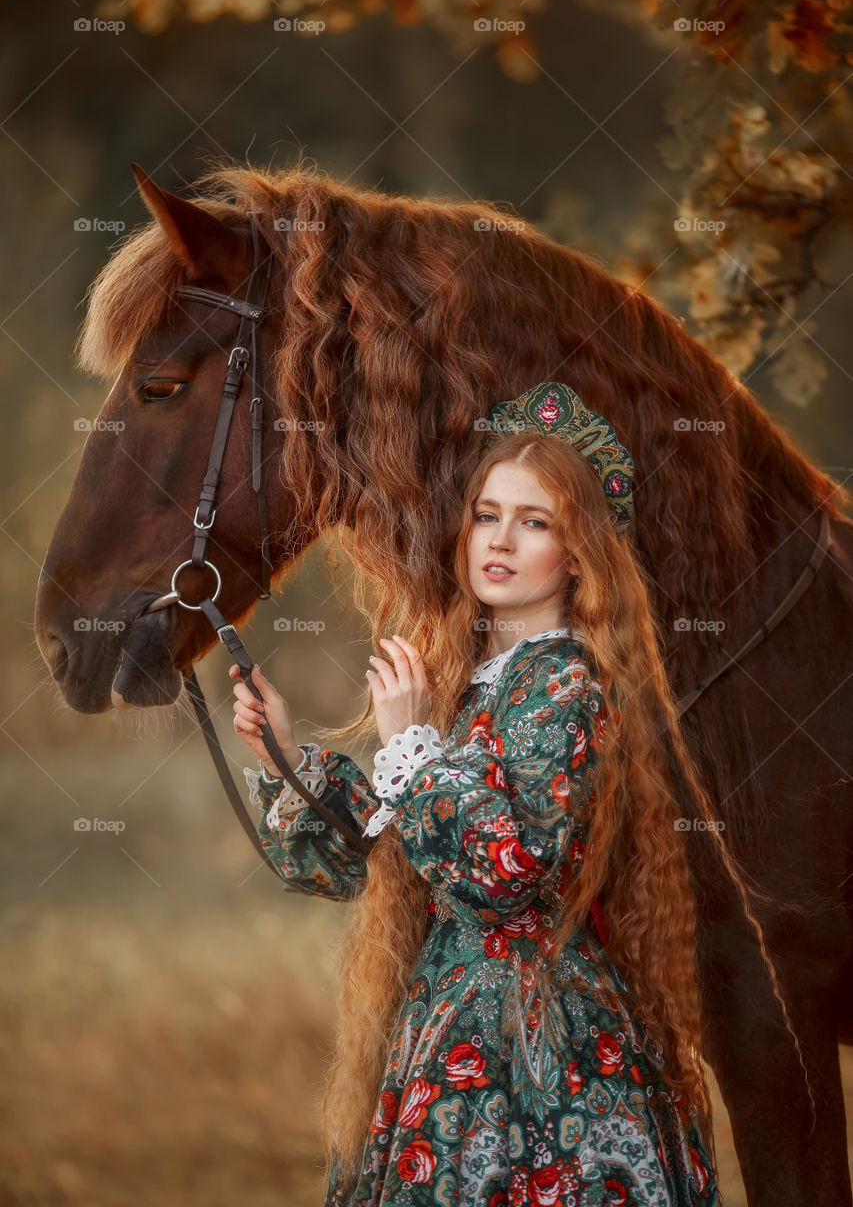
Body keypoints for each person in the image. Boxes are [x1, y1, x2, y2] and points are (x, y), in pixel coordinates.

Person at [231, 381, 726, 1206]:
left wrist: (414, 750)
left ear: (579, 554)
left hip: (535, 1052)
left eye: (534, 523)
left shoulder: (567, 687)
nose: (497, 540)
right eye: (486, 514)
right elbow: (368, 866)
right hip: (448, 1026)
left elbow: (504, 873)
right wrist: (289, 755)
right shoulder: (469, 684)